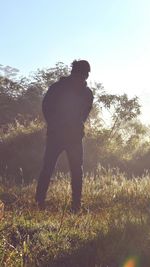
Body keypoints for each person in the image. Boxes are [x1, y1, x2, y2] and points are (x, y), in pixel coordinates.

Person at [35, 60, 93, 212]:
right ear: (82, 73)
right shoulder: (72, 90)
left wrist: (56, 125)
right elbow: (46, 107)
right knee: (70, 170)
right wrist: (58, 125)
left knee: (61, 170)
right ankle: (72, 207)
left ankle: (71, 206)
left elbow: (46, 106)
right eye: (85, 73)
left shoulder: (80, 91)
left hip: (65, 136)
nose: (85, 76)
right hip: (63, 135)